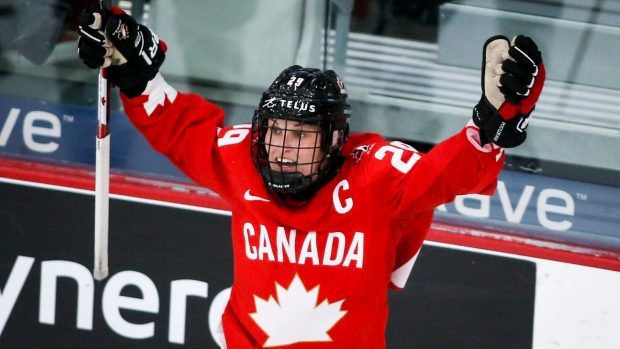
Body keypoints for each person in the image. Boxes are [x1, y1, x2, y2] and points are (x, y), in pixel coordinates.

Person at [77, 6, 545, 349]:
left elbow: (444, 175)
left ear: (336, 139)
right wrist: (137, 75)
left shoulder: (376, 173)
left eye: (300, 134)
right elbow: (179, 129)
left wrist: (490, 127)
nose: (281, 149)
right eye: (275, 129)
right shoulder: (247, 157)